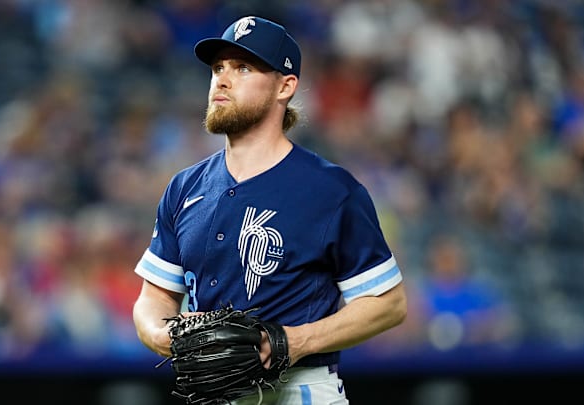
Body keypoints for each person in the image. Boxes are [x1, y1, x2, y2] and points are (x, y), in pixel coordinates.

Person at [132, 15, 407, 404]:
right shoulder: (184, 188)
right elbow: (153, 298)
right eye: (218, 68)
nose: (223, 80)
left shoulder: (331, 190)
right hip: (213, 395)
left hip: (301, 389)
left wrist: (293, 341)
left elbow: (389, 304)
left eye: (243, 68)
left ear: (286, 86)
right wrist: (163, 335)